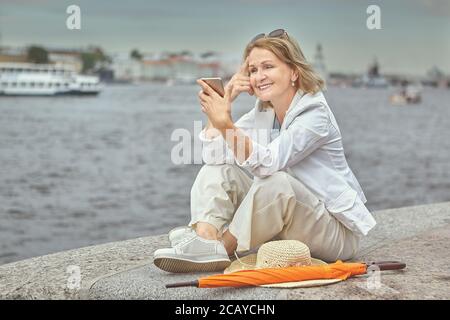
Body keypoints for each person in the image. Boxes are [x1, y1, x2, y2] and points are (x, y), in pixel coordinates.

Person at [153, 29, 376, 273]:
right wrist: (223, 103)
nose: (259, 76)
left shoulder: (315, 114)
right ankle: (205, 238)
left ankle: (219, 249)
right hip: (290, 221)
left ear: (294, 71)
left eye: (268, 66)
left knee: (277, 182)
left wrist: (226, 123)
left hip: (334, 234)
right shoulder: (264, 111)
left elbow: (268, 164)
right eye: (252, 70)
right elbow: (213, 156)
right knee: (219, 170)